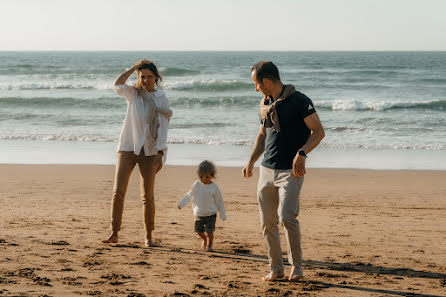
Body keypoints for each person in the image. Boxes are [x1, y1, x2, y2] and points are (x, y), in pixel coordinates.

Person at [242, 61, 325, 281]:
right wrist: (251, 161)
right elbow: (262, 135)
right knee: (267, 222)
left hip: (291, 171)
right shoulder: (265, 103)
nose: (255, 89)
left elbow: (318, 131)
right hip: (266, 170)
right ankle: (276, 269)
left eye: (256, 84)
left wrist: (303, 152)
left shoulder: (300, 101)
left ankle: (296, 268)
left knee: (287, 217)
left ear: (266, 81)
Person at [102, 59, 172, 247]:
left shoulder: (161, 98)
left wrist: (160, 153)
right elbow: (117, 84)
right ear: (138, 77)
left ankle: (148, 236)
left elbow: (163, 127)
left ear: (156, 78)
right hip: (127, 147)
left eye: (150, 76)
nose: (146, 80)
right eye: (143, 76)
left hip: (150, 151)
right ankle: (114, 232)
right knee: (118, 191)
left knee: (147, 195)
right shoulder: (133, 94)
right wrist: (133, 68)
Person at [178, 160, 227, 251]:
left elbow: (219, 201)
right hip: (199, 214)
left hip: (211, 214)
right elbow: (190, 195)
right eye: (201, 177)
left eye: (207, 177)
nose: (204, 179)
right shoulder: (196, 185)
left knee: (210, 231)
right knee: (199, 231)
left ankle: (210, 245)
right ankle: (204, 239)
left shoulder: (214, 187)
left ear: (212, 176)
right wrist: (182, 203)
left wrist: (222, 214)